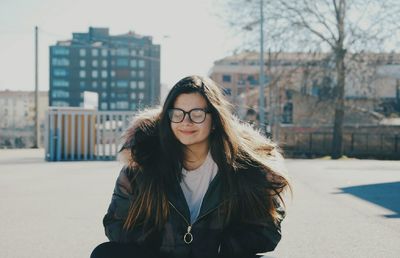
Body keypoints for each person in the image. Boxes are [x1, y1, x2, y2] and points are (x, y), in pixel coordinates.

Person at [91, 75, 291, 258]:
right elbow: (115, 225)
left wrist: (216, 247)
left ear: (214, 121)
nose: (185, 122)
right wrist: (173, 246)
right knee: (105, 254)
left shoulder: (245, 167)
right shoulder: (143, 164)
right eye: (177, 113)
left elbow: (267, 231)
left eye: (197, 114)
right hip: (160, 256)